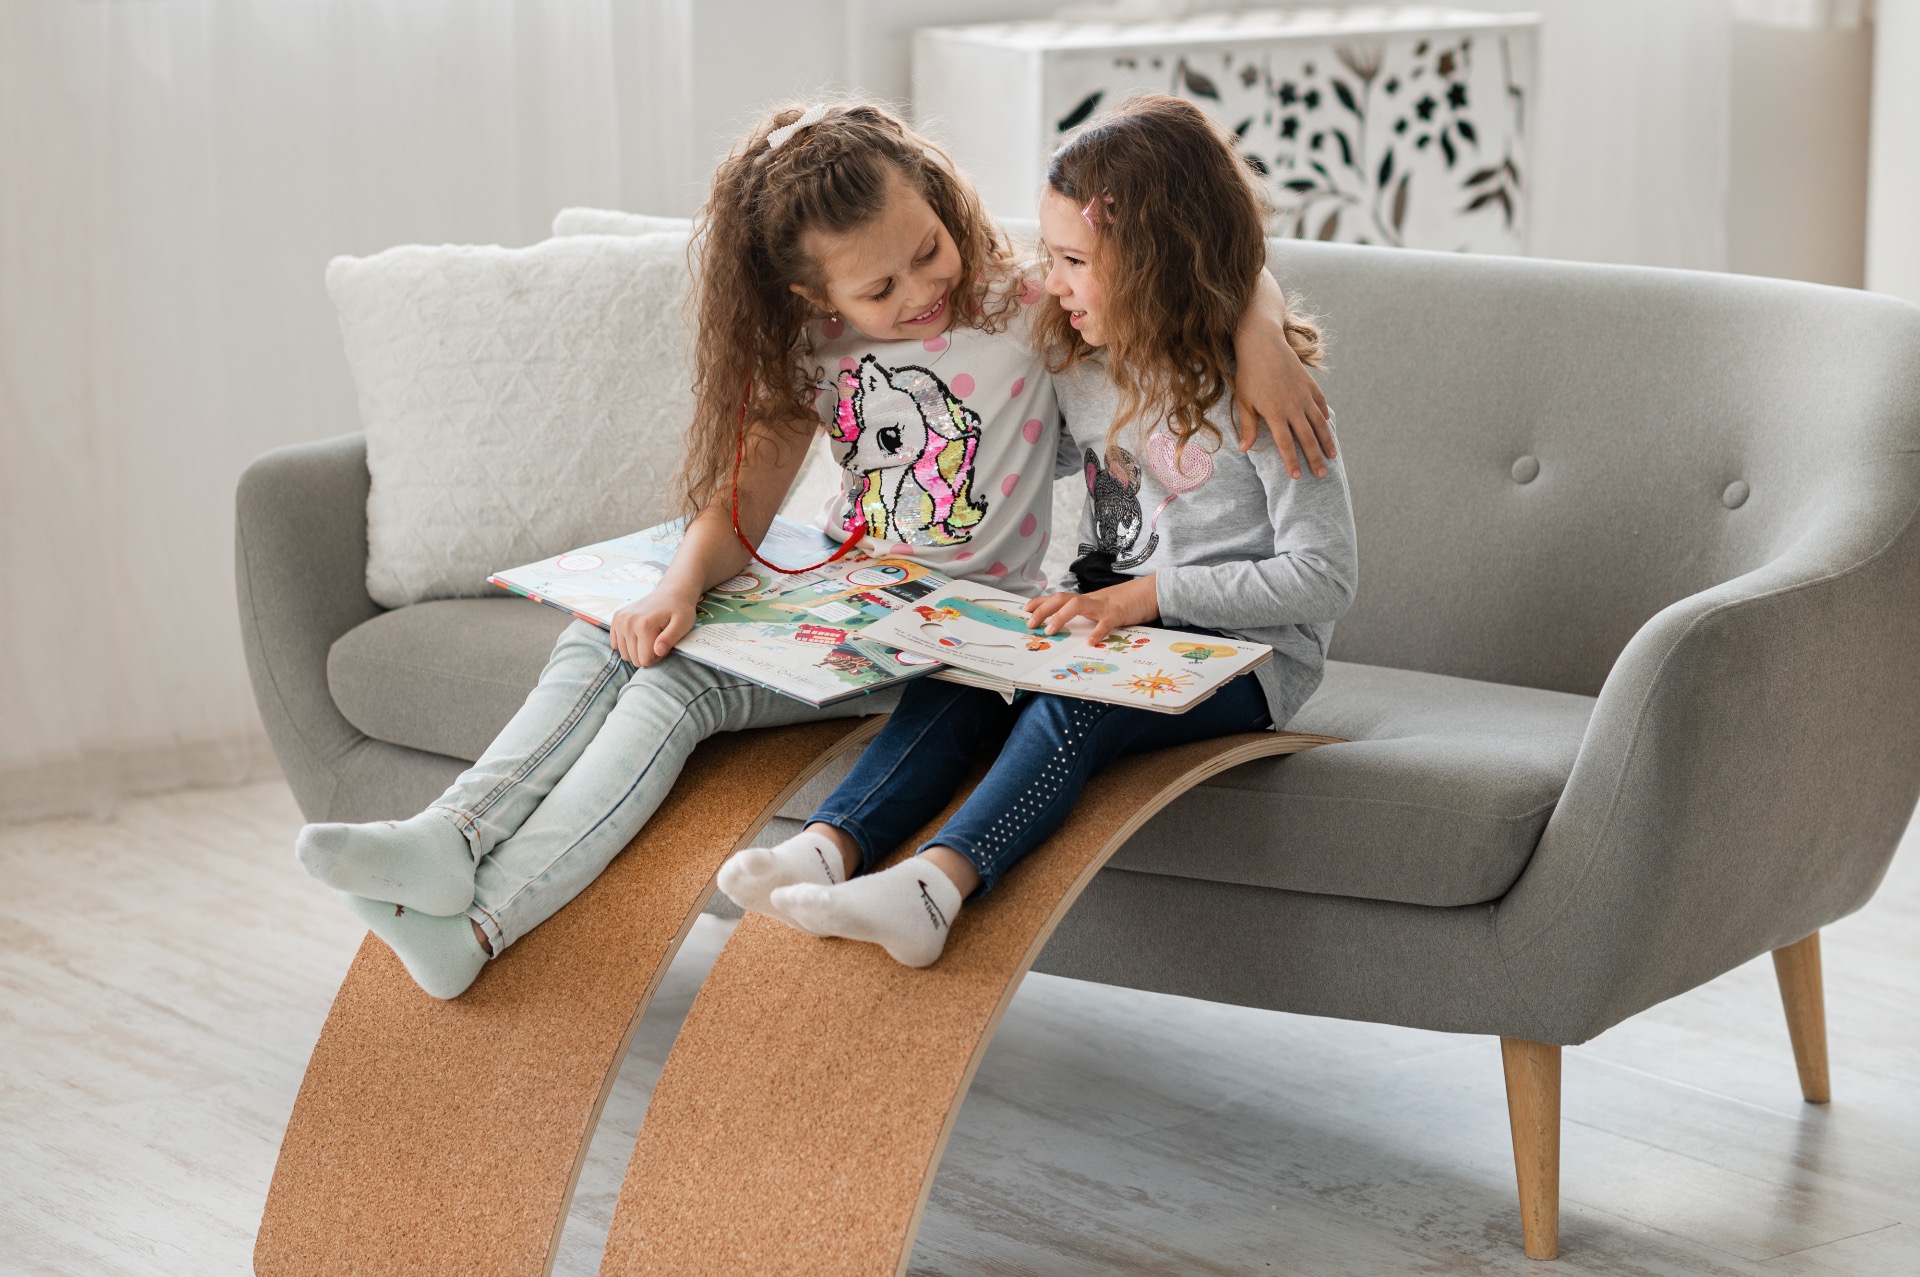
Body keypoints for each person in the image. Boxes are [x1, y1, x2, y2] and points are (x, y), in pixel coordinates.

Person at [293, 99, 1331, 998]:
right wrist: (679, 585)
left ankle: (482, 924)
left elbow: (1169, 258)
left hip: (943, 636)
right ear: (816, 298)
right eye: (878, 289)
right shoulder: (812, 345)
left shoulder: (1025, 305)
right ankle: (454, 834)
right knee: (609, 637)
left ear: (941, 201)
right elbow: (741, 505)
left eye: (928, 248)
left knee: (670, 694)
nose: (918, 290)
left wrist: (1260, 330)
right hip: (839, 597)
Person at [722, 95, 1358, 968]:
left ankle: (933, 889)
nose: (1049, 282)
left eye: (1072, 261)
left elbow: (1326, 575)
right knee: (967, 674)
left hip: (1250, 658)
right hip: (1109, 617)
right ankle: (830, 846)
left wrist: (1149, 595)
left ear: (1154, 263)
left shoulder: (1269, 399)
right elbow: (1015, 452)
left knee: (1076, 704)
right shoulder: (1085, 366)